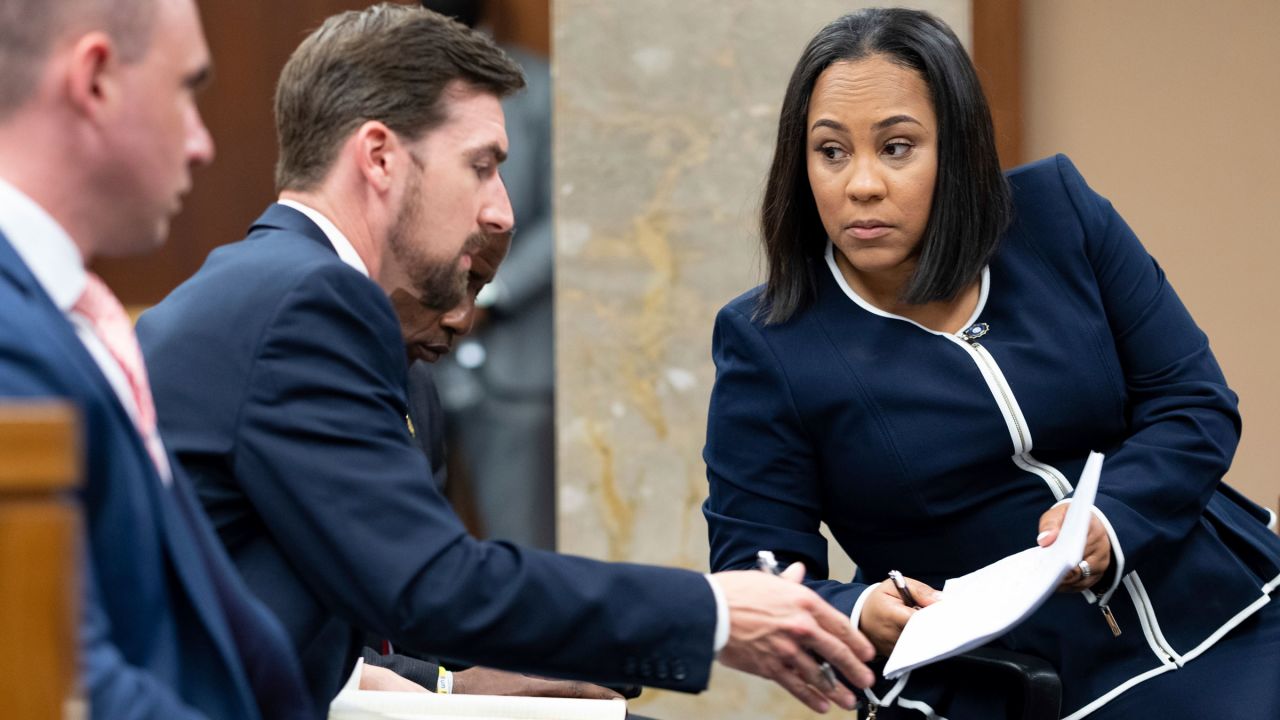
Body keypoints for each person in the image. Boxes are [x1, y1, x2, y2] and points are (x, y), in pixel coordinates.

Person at [137, 5, 876, 714]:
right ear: (379, 158)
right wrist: (714, 611)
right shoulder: (308, 299)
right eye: (482, 165)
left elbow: (371, 599)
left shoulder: (276, 285)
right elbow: (429, 582)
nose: (502, 210)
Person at [703, 8, 1280, 720]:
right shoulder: (767, 339)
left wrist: (1112, 519)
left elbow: (1193, 403)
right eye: (831, 152)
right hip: (1002, 682)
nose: (861, 185)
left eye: (897, 147)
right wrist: (859, 612)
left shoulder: (1058, 215)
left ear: (960, 149)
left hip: (1223, 610)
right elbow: (755, 573)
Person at [0, 1, 317, 718]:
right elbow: (66, 687)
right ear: (98, 80)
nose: (202, 142)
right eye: (186, 89)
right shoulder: (11, 328)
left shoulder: (59, 311)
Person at [421, 0, 559, 551]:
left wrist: (489, 295)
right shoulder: (394, 88)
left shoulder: (539, 91)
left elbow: (565, 218)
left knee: (520, 548)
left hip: (514, 366)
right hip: (414, 361)